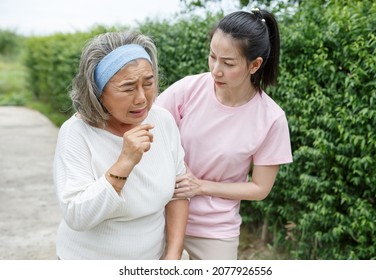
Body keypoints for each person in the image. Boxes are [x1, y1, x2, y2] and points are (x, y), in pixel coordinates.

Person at [155, 9, 293, 260]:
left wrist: (200, 187)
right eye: (212, 56)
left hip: (214, 231)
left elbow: (259, 188)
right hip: (159, 214)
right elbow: (150, 124)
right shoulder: (189, 89)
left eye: (228, 63)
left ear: (255, 65)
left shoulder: (271, 118)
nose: (216, 70)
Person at [53, 31, 189, 260]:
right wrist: (125, 162)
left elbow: (178, 193)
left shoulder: (162, 120)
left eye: (148, 83)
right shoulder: (76, 132)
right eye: (127, 88)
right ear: (97, 91)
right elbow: (76, 215)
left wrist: (172, 257)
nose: (142, 99)